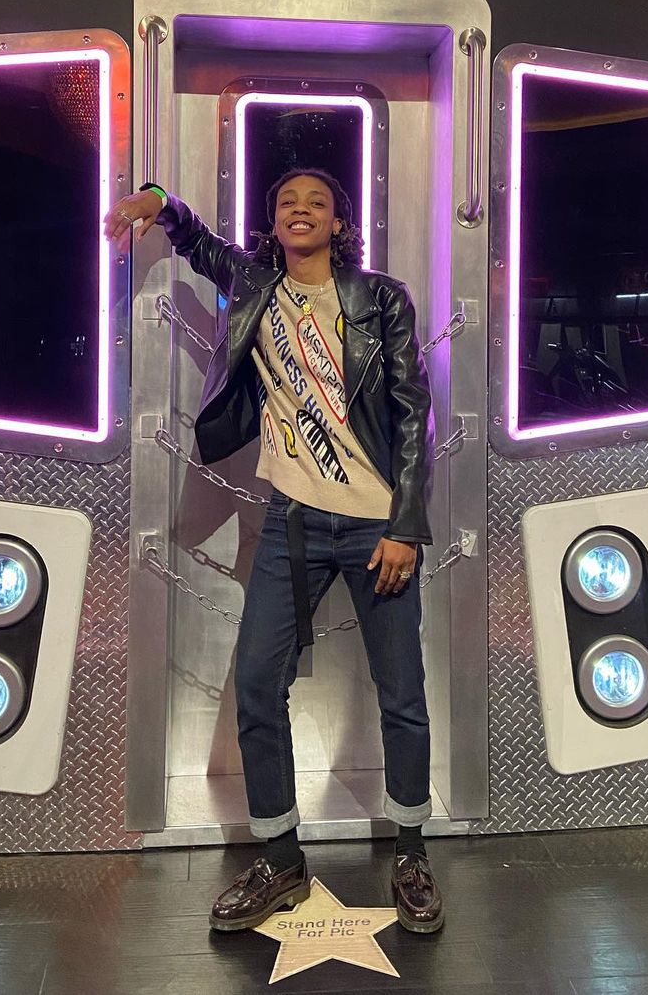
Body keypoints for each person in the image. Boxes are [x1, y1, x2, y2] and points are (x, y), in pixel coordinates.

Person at [105, 168, 442, 933]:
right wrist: (157, 200)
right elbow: (198, 242)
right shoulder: (257, 288)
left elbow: (412, 412)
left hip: (374, 525)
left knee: (401, 691)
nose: (300, 210)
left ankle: (412, 854)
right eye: (288, 201)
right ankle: (282, 860)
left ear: (338, 222)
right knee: (258, 685)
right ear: (275, 221)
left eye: (316, 202)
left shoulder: (380, 300)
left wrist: (405, 527)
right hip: (293, 521)